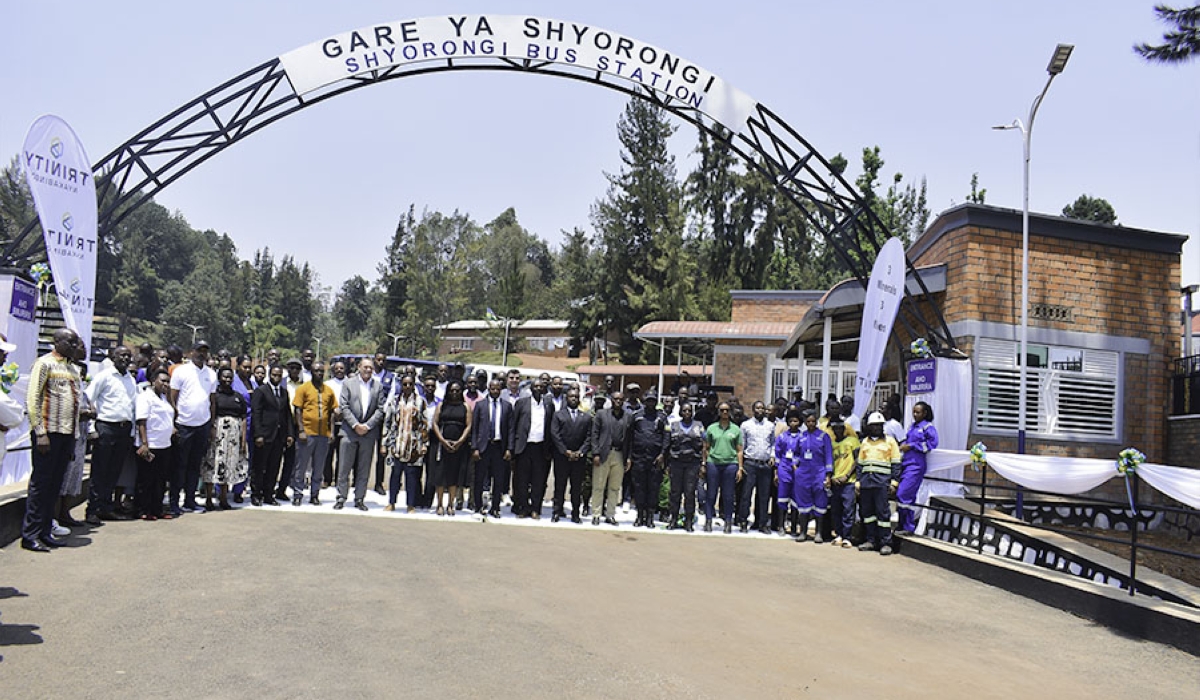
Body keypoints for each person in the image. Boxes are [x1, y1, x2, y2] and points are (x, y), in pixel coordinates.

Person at [21, 328, 84, 552]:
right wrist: (39, 431)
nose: (74, 346)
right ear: (56, 341)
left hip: (66, 435)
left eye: (76, 343)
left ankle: (45, 531)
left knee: (54, 486)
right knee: (40, 485)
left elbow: (75, 406)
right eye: (70, 342)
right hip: (48, 434)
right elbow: (33, 398)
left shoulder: (73, 369)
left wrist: (74, 439)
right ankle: (30, 535)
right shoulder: (44, 363)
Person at [85, 345, 138, 523]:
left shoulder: (131, 380)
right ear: (113, 357)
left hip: (124, 430)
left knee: (114, 471)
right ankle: (92, 509)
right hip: (106, 427)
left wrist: (131, 432)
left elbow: (132, 408)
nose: (125, 358)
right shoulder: (104, 376)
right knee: (100, 470)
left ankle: (106, 508)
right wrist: (91, 429)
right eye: (121, 355)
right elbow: (88, 400)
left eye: (128, 356)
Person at [169, 340, 217, 514]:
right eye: (199, 350)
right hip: (183, 425)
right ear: (191, 352)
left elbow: (212, 401)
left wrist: (211, 425)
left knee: (194, 466)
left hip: (202, 425)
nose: (201, 354)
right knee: (179, 465)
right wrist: (174, 422)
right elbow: (172, 397)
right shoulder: (181, 371)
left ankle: (190, 500)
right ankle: (174, 502)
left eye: (205, 351)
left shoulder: (211, 374)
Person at [336, 357, 385, 511]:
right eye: (365, 367)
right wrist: (355, 425)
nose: (368, 370)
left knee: (364, 469)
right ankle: (341, 498)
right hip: (349, 431)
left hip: (368, 434)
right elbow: (343, 406)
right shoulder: (348, 384)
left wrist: (367, 426)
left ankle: (359, 499)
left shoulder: (378, 386)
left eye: (370, 367)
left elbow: (380, 409)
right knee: (344, 467)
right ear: (358, 367)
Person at [201, 367, 249, 511]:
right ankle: (209, 498)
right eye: (224, 377)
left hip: (233, 436)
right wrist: (211, 430)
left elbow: (244, 418)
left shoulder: (238, 397)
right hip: (216, 433)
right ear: (219, 378)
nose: (227, 380)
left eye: (230, 377)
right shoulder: (214, 396)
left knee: (228, 466)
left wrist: (243, 439)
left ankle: (223, 498)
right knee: (211, 465)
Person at [856, 411, 903, 555]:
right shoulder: (865, 442)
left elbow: (896, 463)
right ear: (869, 427)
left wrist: (894, 483)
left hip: (882, 482)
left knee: (883, 514)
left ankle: (886, 542)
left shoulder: (890, 442)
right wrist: (858, 482)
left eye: (879, 425)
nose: (877, 428)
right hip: (866, 482)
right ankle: (871, 540)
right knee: (867, 513)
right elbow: (860, 463)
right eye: (874, 426)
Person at [291, 361, 337, 506]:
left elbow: (332, 413)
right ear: (311, 372)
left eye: (322, 371)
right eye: (317, 371)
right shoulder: (303, 389)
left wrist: (331, 432)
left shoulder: (328, 390)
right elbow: (298, 410)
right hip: (307, 433)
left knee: (319, 467)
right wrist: (301, 430)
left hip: (323, 434)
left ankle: (314, 495)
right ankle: (298, 494)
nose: (320, 374)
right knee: (301, 466)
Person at [381, 374, 427, 512]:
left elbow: (424, 424)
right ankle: (391, 502)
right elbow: (387, 423)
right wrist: (384, 443)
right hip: (397, 444)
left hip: (413, 446)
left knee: (411, 477)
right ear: (401, 385)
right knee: (395, 475)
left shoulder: (420, 402)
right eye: (405, 384)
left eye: (410, 384)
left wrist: (424, 444)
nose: (407, 387)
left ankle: (410, 505)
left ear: (414, 386)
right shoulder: (394, 402)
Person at [509, 377, 552, 518]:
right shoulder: (522, 403)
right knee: (522, 480)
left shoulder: (548, 404)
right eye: (536, 387)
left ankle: (535, 509)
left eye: (541, 387)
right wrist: (512, 447)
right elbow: (514, 426)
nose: (538, 389)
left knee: (538, 481)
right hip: (524, 447)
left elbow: (550, 427)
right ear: (531, 389)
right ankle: (523, 508)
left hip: (541, 448)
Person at [251, 365, 294, 506]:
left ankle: (269, 494)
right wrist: (258, 434)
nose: (277, 377)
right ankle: (256, 494)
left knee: (274, 466)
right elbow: (256, 413)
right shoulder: (261, 391)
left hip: (279, 436)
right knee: (259, 466)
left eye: (279, 375)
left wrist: (289, 434)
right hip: (264, 435)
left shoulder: (283, 392)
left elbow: (287, 414)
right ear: (269, 375)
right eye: (274, 374)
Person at [135, 368, 174, 520]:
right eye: (163, 381)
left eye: (168, 382)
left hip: (165, 445)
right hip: (150, 445)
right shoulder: (145, 397)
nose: (166, 384)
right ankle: (144, 510)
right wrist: (144, 443)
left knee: (160, 480)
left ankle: (157, 509)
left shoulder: (164, 398)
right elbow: (141, 421)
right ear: (153, 381)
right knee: (146, 480)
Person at [470, 379, 512, 517]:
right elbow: (474, 428)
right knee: (479, 478)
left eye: (498, 389)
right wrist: (475, 448)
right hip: (483, 447)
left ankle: (495, 508)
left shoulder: (506, 406)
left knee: (498, 479)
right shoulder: (480, 405)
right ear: (488, 388)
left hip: (499, 447)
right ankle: (478, 506)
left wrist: (509, 449)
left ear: (501, 390)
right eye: (492, 389)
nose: (495, 391)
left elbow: (510, 429)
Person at [626, 390, 667, 528]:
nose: (650, 403)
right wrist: (629, 457)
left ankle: (650, 517)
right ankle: (639, 516)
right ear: (644, 402)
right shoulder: (636, 416)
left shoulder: (661, 417)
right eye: (648, 400)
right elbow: (629, 437)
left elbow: (666, 437)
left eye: (653, 400)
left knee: (653, 488)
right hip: (639, 458)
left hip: (655, 459)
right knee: (639, 488)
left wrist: (662, 454)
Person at [791, 410, 833, 543]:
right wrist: (795, 466)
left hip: (819, 473)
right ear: (804, 422)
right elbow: (795, 453)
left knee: (820, 502)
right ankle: (802, 532)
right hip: (803, 474)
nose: (811, 424)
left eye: (813, 422)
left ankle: (818, 533)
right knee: (803, 503)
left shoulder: (823, 436)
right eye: (808, 422)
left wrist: (828, 475)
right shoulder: (801, 437)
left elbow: (828, 456)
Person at [550, 387, 591, 523]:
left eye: (576, 396)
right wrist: (565, 451)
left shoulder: (585, 417)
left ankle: (575, 514)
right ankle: (557, 511)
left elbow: (589, 437)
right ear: (566, 399)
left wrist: (581, 452)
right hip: (562, 457)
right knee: (560, 485)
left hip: (578, 459)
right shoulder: (558, 415)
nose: (573, 398)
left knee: (576, 487)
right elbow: (555, 435)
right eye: (571, 396)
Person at [588, 390, 629, 526]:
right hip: (603, 454)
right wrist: (595, 453)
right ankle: (596, 514)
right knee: (598, 486)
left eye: (621, 399)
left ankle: (610, 514)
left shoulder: (628, 417)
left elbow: (630, 440)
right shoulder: (601, 414)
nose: (618, 401)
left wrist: (628, 457)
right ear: (611, 400)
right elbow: (594, 435)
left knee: (614, 488)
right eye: (616, 399)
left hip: (619, 455)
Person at [430, 380, 471, 516]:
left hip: (459, 446)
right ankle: (440, 504)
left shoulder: (465, 407)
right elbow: (435, 423)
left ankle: (450, 504)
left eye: (457, 391)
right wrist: (442, 440)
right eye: (452, 390)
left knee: (454, 476)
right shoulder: (441, 405)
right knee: (440, 476)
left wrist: (459, 441)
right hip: (442, 445)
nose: (454, 393)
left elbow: (468, 425)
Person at [897, 401, 938, 534]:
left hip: (916, 465)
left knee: (903, 494)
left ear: (924, 413)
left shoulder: (927, 427)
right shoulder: (912, 427)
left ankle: (908, 526)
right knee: (905, 496)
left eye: (918, 412)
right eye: (914, 412)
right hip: (906, 464)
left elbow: (932, 444)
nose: (915, 415)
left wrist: (913, 446)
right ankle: (902, 525)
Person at [664, 402, 705, 532]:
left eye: (689, 411)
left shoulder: (699, 426)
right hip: (676, 462)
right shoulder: (673, 425)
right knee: (675, 493)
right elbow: (668, 444)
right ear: (680, 412)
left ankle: (688, 521)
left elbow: (704, 446)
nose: (687, 413)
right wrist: (667, 464)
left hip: (692, 463)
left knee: (690, 493)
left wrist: (703, 464)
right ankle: (673, 519)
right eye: (684, 411)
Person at [702, 401, 742, 534]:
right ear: (718, 412)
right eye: (722, 410)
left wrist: (740, 468)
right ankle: (708, 521)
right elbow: (706, 448)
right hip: (713, 463)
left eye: (727, 410)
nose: (724, 412)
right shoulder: (711, 428)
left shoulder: (736, 429)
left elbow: (739, 450)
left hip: (730, 464)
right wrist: (704, 463)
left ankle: (728, 522)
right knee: (711, 494)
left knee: (728, 495)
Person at [739, 401, 776, 534]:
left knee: (764, 496)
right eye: (757, 408)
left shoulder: (770, 426)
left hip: (765, 464)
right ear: (753, 409)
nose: (760, 410)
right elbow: (741, 446)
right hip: (750, 463)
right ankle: (743, 521)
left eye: (762, 408)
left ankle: (762, 523)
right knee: (746, 495)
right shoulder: (746, 425)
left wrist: (772, 456)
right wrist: (741, 465)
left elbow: (773, 443)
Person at [828, 418, 860, 547]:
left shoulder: (852, 441)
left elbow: (858, 459)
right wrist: (832, 478)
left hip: (849, 482)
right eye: (835, 429)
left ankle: (847, 536)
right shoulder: (832, 444)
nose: (838, 431)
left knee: (848, 510)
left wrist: (847, 475)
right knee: (836, 510)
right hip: (836, 482)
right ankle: (839, 534)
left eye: (840, 428)